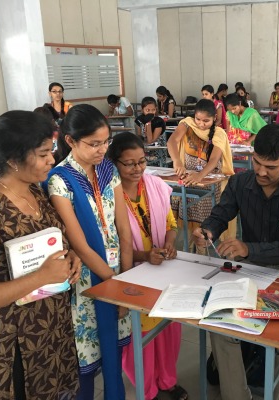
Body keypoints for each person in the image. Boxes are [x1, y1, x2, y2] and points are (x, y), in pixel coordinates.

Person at [0, 110, 81, 399]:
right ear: (13, 158)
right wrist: (41, 277)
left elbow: (50, 240)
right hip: (16, 341)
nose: (52, 159)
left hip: (50, 328)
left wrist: (70, 255)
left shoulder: (34, 191)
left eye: (51, 151)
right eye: (43, 154)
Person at [192, 123, 279, 400]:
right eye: (257, 162)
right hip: (248, 268)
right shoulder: (240, 183)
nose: (261, 172)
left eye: (270, 167)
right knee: (220, 324)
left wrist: (248, 249)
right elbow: (221, 214)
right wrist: (208, 230)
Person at [45, 104, 134, 400]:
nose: (102, 150)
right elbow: (80, 245)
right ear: (70, 140)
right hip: (87, 279)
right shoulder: (60, 180)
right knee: (86, 359)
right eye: (94, 144)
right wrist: (115, 285)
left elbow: (124, 230)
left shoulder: (109, 170)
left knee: (114, 354)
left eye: (106, 142)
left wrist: (125, 280)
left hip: (118, 273)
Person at [107, 133, 188, 400]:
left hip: (162, 271)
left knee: (167, 329)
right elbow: (112, 247)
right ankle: (147, 389)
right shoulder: (109, 196)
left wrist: (170, 244)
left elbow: (171, 224)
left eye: (142, 161)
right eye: (129, 163)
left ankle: (168, 380)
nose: (137, 169)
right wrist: (143, 256)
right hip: (133, 273)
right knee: (141, 335)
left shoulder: (154, 185)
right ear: (114, 163)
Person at [167, 99, 234, 251]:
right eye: (198, 119)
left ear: (214, 119)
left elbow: (214, 160)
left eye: (206, 121)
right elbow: (172, 141)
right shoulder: (187, 124)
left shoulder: (219, 133)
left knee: (205, 221)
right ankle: (189, 250)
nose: (201, 124)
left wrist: (200, 175)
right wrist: (177, 161)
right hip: (189, 177)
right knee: (186, 214)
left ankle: (202, 250)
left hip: (209, 180)